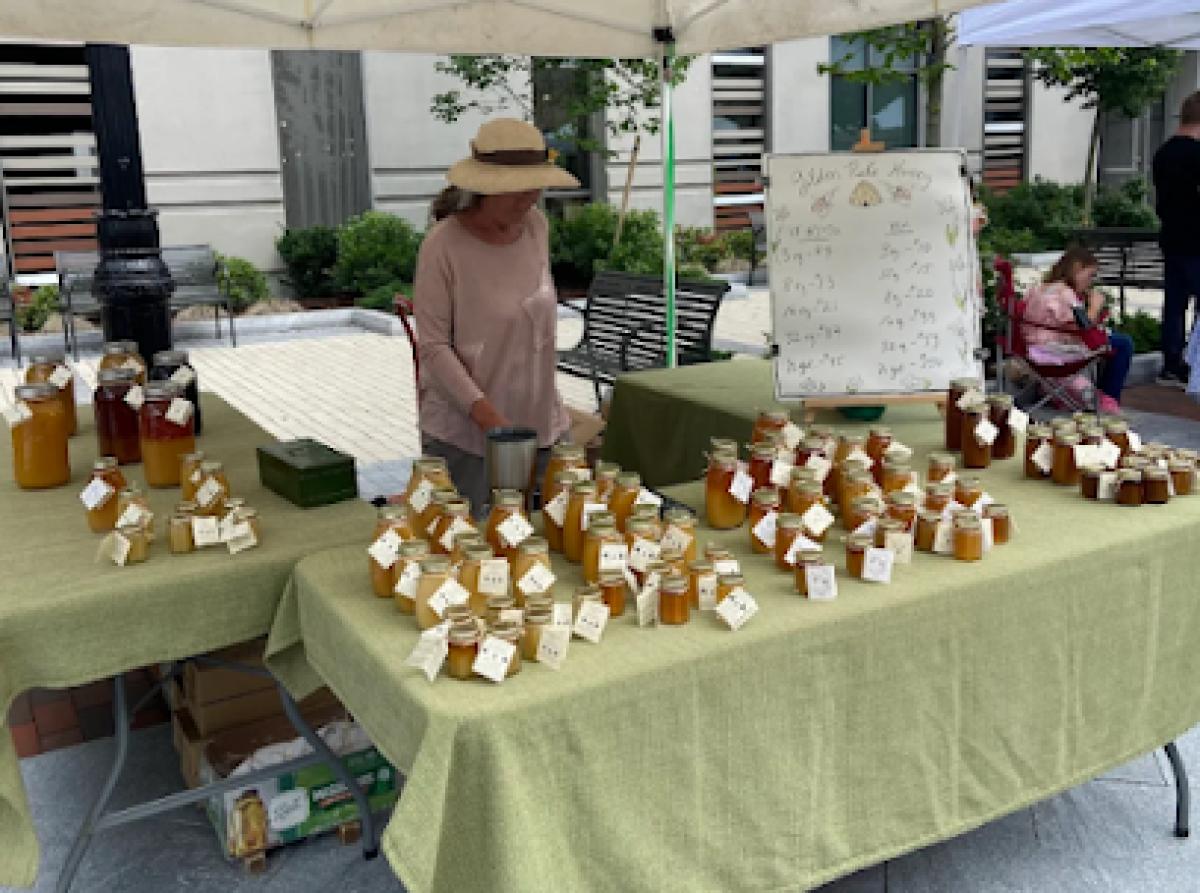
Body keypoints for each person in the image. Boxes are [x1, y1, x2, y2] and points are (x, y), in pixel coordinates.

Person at [414, 118, 580, 512]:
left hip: (543, 424)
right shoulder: (443, 246)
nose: (528, 199)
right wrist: (490, 420)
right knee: (475, 549)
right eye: (516, 191)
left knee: (553, 538)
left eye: (535, 187)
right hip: (468, 435)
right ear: (484, 188)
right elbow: (434, 348)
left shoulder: (536, 226)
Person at [1021, 246, 1134, 413]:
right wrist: (1095, 307)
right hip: (1054, 350)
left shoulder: (1039, 288)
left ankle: (1061, 393)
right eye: (1090, 275)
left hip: (1031, 347)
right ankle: (1108, 400)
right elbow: (1084, 329)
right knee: (1123, 344)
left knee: (1114, 341)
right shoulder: (1065, 293)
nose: (1090, 281)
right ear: (1078, 269)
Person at [1151, 90, 1200, 388]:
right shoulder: (1197, 155)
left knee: (1174, 305)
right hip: (1198, 241)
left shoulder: (1163, 153)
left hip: (1172, 239)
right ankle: (1194, 364)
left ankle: (1171, 363)